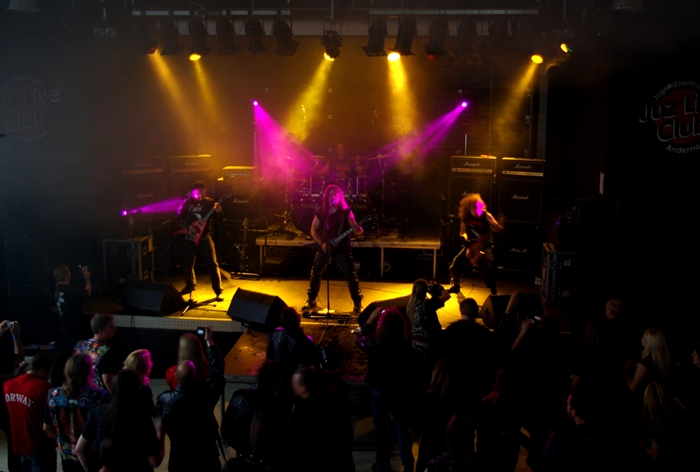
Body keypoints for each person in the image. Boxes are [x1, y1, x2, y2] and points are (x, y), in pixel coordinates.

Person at [156, 326, 225, 472]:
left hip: (179, 457)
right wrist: (210, 343)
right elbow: (217, 372)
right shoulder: (206, 394)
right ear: (194, 375)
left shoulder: (164, 399)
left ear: (176, 375)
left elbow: (157, 423)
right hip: (206, 456)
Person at [356, 308, 416, 472]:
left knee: (380, 429)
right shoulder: (405, 346)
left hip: (378, 389)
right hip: (399, 390)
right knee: (402, 427)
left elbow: (359, 340)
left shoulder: (375, 343)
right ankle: (408, 465)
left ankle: (383, 466)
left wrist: (369, 322)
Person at [75, 369, 163, 472]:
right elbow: (155, 461)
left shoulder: (98, 412)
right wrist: (160, 430)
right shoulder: (142, 418)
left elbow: (79, 449)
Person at [302, 184, 364, 313]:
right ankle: (311, 300)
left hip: (342, 248)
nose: (333, 197)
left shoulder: (346, 212)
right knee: (316, 272)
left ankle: (357, 303)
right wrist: (322, 243)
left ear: (340, 197)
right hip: (326, 247)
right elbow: (313, 230)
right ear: (327, 197)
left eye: (335, 194)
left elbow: (356, 230)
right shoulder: (323, 212)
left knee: (351, 275)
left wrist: (358, 230)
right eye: (330, 194)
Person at [44, 353, 111, 472]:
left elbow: (46, 427)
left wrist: (62, 440)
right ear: (89, 372)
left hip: (67, 456)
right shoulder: (100, 397)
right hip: (93, 458)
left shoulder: (53, 395)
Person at [286, 367, 355, 472]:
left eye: (294, 384)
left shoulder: (302, 416)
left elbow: (294, 448)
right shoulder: (337, 405)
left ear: (303, 388)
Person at [3, 353, 56, 472]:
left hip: (19, 445)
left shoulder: (8, 384)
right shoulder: (44, 387)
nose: (49, 376)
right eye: (49, 372)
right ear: (42, 370)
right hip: (40, 446)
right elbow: (52, 417)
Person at [175, 180, 224, 299]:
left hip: (205, 236)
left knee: (212, 263)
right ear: (192, 192)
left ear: (205, 191)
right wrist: (189, 226)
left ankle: (218, 290)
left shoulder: (210, 203)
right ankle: (190, 285)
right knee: (187, 263)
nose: (200, 195)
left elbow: (220, 220)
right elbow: (178, 218)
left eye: (202, 192)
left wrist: (219, 212)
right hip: (190, 236)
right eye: (197, 192)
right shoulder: (186, 203)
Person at [448, 193, 503, 295]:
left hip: (485, 246)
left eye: (479, 208)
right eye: (474, 208)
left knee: (489, 268)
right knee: (454, 266)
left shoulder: (486, 215)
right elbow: (462, 232)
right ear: (469, 208)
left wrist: (497, 227)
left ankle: (494, 294)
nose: (477, 211)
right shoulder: (465, 216)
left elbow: (496, 228)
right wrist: (468, 245)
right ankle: (456, 287)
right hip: (471, 245)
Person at [53, 264, 92, 385]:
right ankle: (75, 379)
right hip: (73, 329)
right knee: (76, 357)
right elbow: (87, 293)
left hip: (66, 327)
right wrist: (87, 278)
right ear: (67, 274)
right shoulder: (70, 291)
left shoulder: (60, 289)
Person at [266, 307, 318, 378]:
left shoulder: (274, 333)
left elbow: (269, 356)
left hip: (276, 375)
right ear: (297, 320)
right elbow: (312, 362)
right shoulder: (306, 340)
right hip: (295, 378)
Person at [74, 313, 120, 393]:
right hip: (100, 395)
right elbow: (107, 381)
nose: (115, 328)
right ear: (101, 331)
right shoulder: (107, 351)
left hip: (80, 392)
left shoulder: (80, 345)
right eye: (111, 327)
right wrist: (117, 397)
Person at [406, 279, 450, 361]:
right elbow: (447, 296)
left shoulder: (410, 306)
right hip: (431, 341)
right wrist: (437, 287)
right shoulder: (428, 304)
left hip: (416, 342)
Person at [0, 320, 24, 472]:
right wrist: (16, 336)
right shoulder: (2, 353)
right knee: (12, 433)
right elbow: (19, 357)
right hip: (2, 399)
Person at [627, 328, 670, 393]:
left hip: (645, 397)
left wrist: (627, 373)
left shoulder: (645, 363)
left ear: (649, 342)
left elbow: (633, 388)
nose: (642, 338)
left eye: (644, 337)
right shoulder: (661, 361)